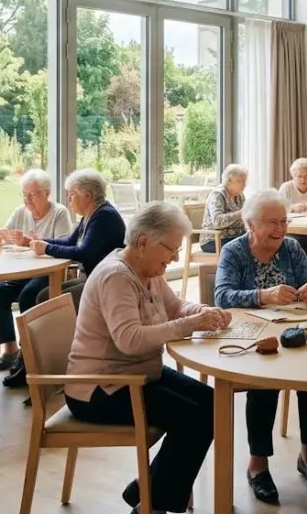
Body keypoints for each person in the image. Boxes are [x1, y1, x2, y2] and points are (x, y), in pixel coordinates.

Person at [65, 202, 230, 514]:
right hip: (100, 388)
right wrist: (189, 324)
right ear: (143, 243)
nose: (176, 258)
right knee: (194, 419)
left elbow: (176, 307)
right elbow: (130, 340)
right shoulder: (117, 276)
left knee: (215, 403)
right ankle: (151, 507)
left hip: (138, 374)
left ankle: (145, 489)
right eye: (171, 249)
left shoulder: (149, 269)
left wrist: (204, 313)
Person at [214, 190, 307, 502]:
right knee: (263, 383)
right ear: (250, 225)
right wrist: (263, 295)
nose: (280, 229)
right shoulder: (234, 251)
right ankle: (258, 464)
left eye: (283, 221)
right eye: (272, 223)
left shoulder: (291, 248)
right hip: (252, 339)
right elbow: (222, 296)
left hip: (292, 333)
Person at [0, 169, 126, 387]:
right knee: (38, 295)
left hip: (103, 285)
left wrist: (46, 247)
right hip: (93, 279)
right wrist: (35, 243)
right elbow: (71, 241)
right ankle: (30, 361)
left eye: (72, 194)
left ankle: (36, 363)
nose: (68, 199)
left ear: (88, 196)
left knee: (44, 297)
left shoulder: (104, 216)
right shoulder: (92, 215)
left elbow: (84, 252)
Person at [0, 169, 74, 250]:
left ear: (47, 193)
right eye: (24, 194)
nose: (27, 199)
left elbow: (64, 248)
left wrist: (29, 243)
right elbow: (4, 237)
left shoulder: (59, 212)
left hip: (50, 265)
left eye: (32, 194)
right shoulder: (20, 212)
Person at [202, 163, 248, 252]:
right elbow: (217, 222)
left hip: (235, 236)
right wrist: (240, 213)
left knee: (260, 239)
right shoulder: (217, 195)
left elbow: (245, 217)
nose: (245, 184)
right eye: (241, 181)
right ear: (229, 180)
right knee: (248, 245)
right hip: (214, 240)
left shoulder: (239, 195)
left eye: (245, 181)